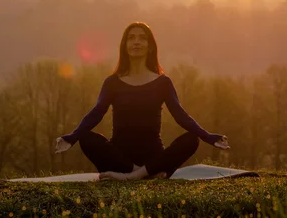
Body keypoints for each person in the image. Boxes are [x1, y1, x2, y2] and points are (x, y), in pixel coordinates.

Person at [55, 22, 230, 180]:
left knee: (192, 139)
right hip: (118, 158)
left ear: (150, 46)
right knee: (85, 137)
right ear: (125, 46)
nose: (136, 42)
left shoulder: (163, 82)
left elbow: (181, 115)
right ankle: (141, 173)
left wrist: (208, 136)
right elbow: (96, 113)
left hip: (153, 157)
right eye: (131, 38)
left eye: (142, 38)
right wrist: (72, 137)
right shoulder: (112, 82)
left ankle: (132, 176)